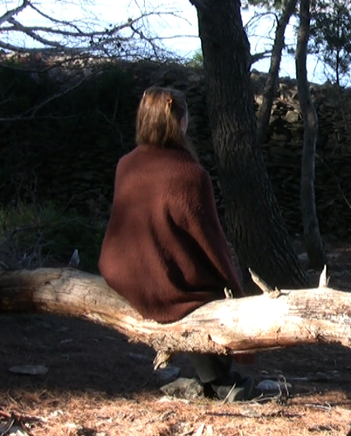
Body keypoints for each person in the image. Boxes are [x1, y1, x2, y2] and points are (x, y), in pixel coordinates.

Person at [99, 86, 255, 401]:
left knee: (189, 278)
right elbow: (211, 243)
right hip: (159, 283)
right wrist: (233, 288)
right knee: (208, 292)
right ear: (181, 122)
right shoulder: (191, 175)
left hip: (122, 272)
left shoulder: (126, 164)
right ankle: (219, 381)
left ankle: (215, 380)